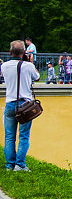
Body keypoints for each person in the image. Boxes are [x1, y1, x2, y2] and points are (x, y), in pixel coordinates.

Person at [3, 39, 40, 171]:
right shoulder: (28, 66)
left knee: (9, 136)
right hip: (25, 105)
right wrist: (30, 62)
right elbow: (37, 77)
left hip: (10, 104)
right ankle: (20, 164)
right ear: (24, 52)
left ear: (10, 52)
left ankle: (9, 165)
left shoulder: (4, 66)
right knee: (24, 136)